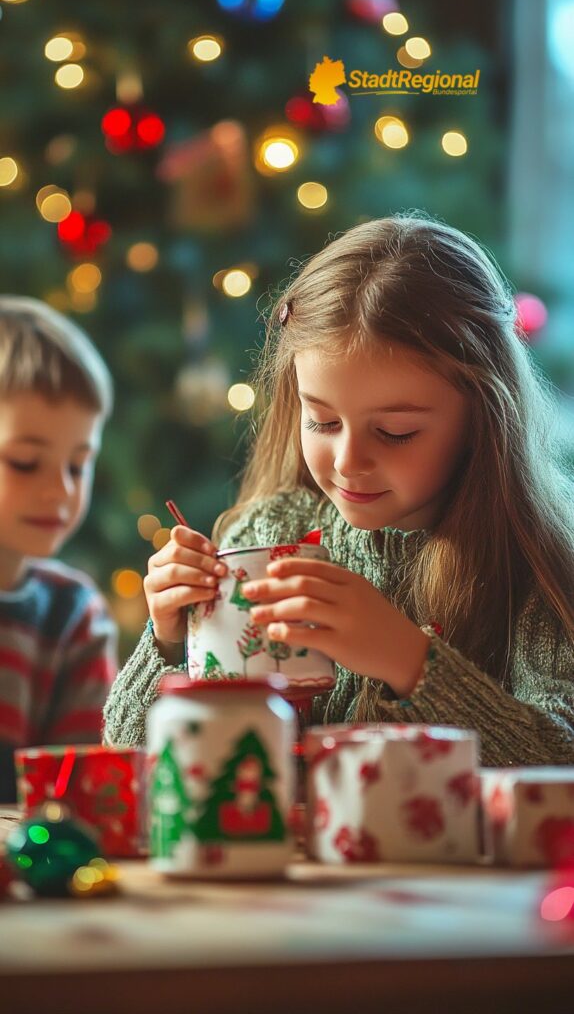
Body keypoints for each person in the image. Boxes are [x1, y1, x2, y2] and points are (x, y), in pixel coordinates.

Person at [103, 213, 574, 766]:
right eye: (323, 422)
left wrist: (410, 662)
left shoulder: (535, 565)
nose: (349, 461)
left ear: (484, 418)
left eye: (395, 432)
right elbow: (130, 768)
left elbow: (558, 763)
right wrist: (168, 642)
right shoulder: (268, 535)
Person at [0, 297, 117, 800]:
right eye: (25, 462)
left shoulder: (75, 615)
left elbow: (80, 792)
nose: (62, 491)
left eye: (77, 464)